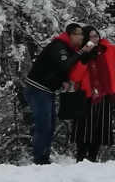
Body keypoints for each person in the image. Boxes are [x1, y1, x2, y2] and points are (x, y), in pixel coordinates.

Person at [65, 25, 115, 162]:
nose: (94, 39)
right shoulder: (79, 53)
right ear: (85, 38)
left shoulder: (107, 49)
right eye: (90, 36)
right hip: (85, 97)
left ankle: (92, 158)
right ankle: (80, 159)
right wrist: (84, 60)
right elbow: (75, 77)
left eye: (96, 35)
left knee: (99, 130)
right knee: (84, 131)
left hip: (104, 95)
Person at [23, 23, 98, 165]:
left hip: (46, 90)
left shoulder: (69, 49)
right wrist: (82, 52)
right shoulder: (59, 46)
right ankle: (39, 158)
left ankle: (44, 156)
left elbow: (60, 68)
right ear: (71, 35)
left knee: (50, 125)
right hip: (37, 88)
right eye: (79, 34)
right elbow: (64, 64)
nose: (82, 37)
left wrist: (64, 80)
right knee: (43, 125)